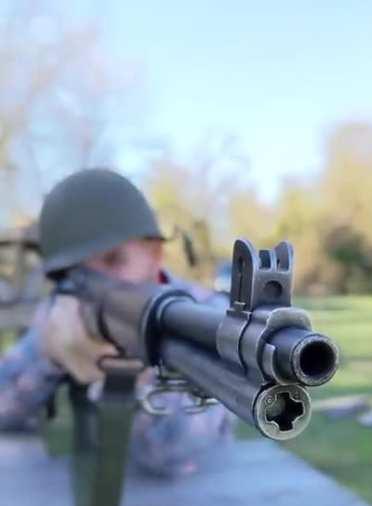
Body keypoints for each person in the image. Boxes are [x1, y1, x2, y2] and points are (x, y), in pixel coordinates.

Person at [0, 168, 233, 478]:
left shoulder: (205, 319)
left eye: (113, 260)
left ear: (156, 254)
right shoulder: (60, 312)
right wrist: (50, 354)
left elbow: (174, 455)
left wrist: (135, 376)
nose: (100, 285)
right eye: (76, 272)